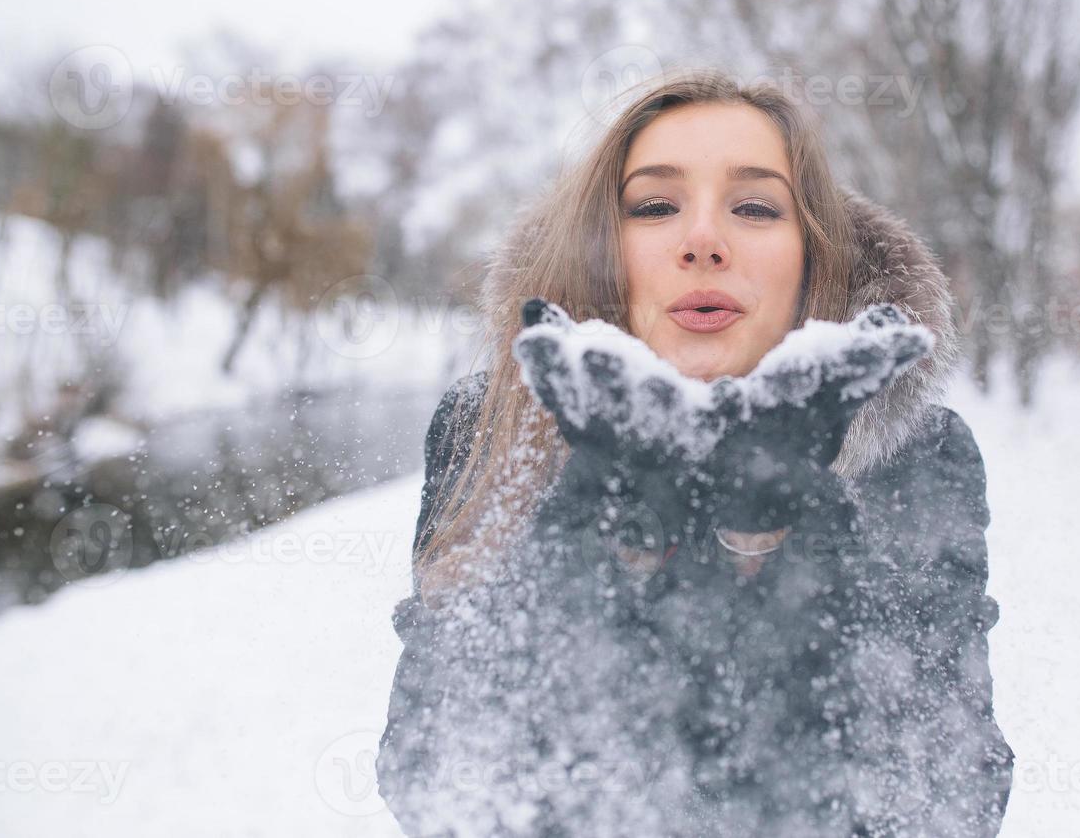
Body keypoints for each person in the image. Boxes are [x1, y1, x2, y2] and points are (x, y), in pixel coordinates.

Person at [376, 68, 1015, 836]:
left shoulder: (917, 457)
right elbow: (444, 783)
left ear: (813, 256)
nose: (704, 242)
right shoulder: (488, 424)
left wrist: (784, 533)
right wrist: (609, 520)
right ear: (598, 255)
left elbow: (942, 804)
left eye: (754, 207)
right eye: (653, 206)